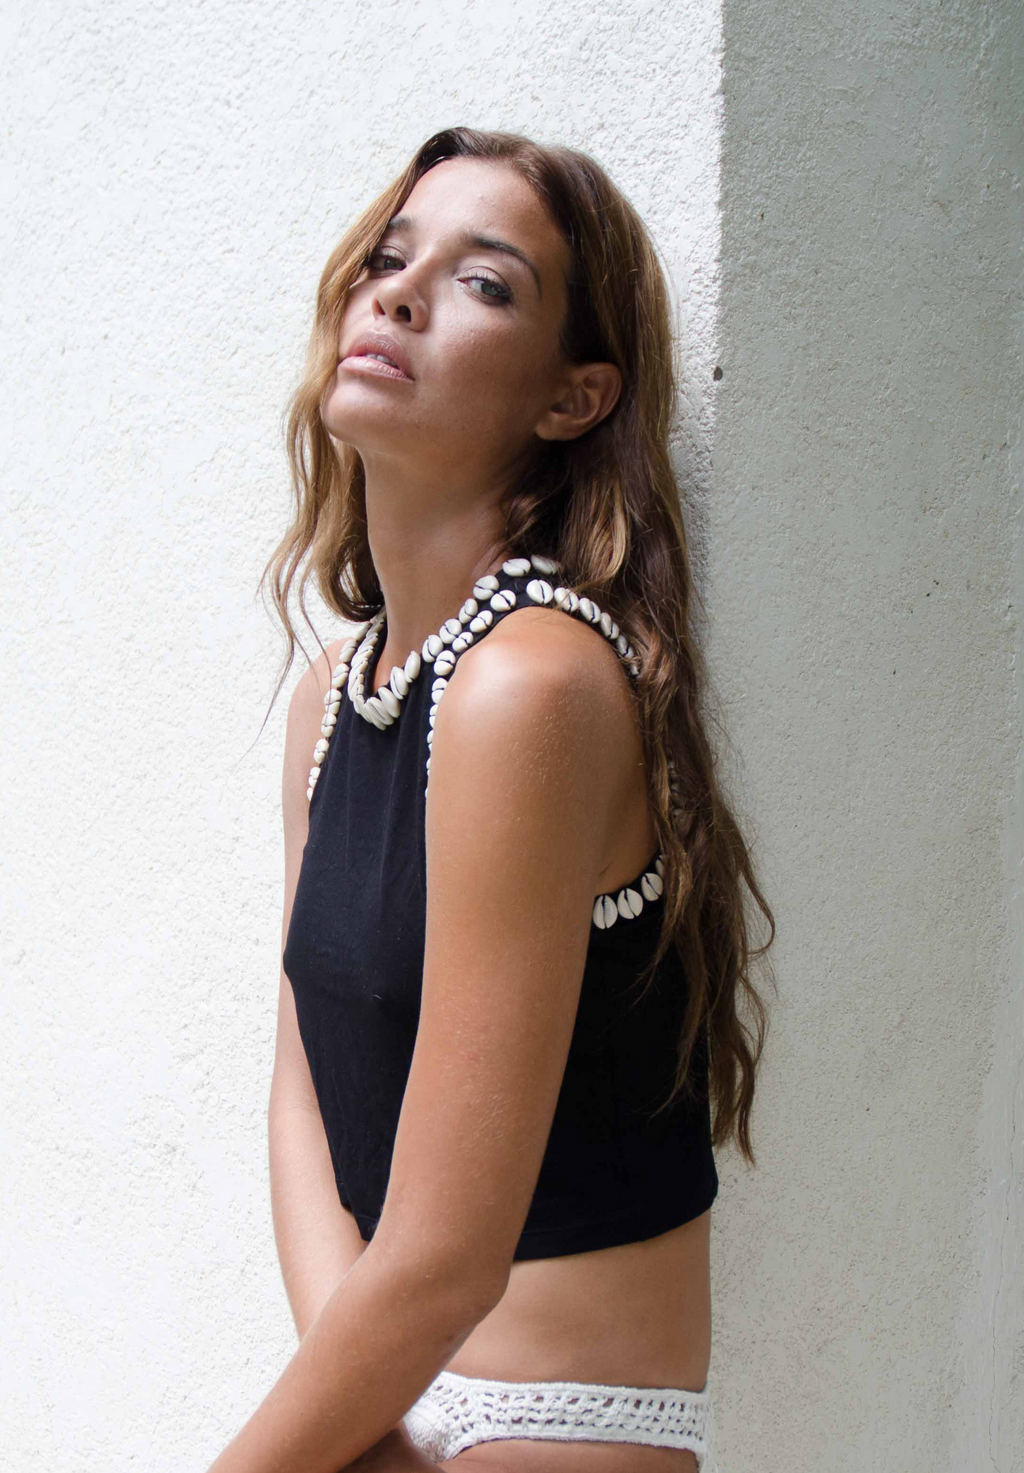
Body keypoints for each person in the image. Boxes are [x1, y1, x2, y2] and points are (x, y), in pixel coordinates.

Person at [205, 127, 774, 1473]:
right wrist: (369, 1421)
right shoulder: (337, 699)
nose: (396, 294)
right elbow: (305, 1093)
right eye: (389, 260)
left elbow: (455, 1254)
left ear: (573, 399)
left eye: (486, 282)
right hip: (384, 1387)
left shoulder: (534, 684)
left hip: (555, 1425)